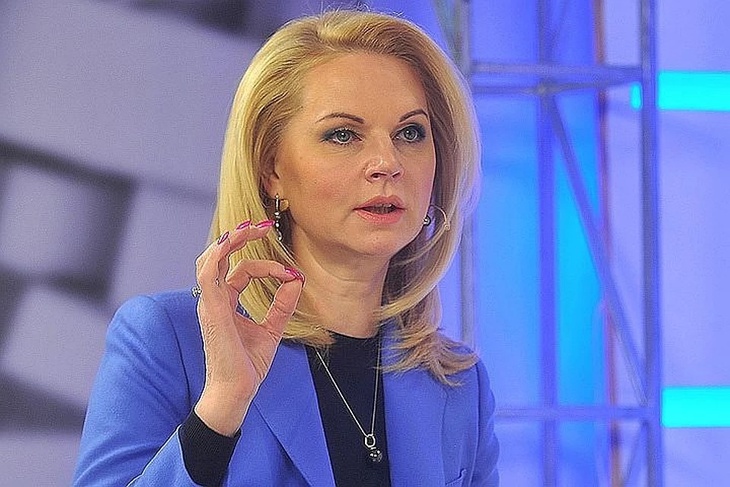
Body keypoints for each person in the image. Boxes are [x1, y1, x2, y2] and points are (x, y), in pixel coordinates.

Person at [73, 9, 499, 487]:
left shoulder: (460, 386)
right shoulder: (168, 339)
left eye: (410, 133)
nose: (387, 162)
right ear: (271, 170)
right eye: (343, 135)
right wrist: (220, 410)